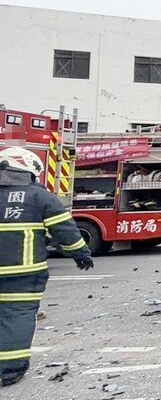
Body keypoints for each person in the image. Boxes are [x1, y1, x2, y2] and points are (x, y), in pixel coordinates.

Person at [0, 147, 93, 386]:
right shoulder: (39, 197)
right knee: (17, 316)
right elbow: (65, 230)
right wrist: (81, 254)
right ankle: (10, 370)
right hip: (21, 273)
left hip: (21, 274)